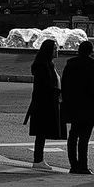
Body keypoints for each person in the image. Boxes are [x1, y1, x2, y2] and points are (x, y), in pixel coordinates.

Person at [61, 40, 94, 175]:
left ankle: (73, 165)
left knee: (73, 135)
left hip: (73, 104)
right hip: (89, 105)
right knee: (84, 137)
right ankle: (83, 166)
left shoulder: (70, 64)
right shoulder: (93, 65)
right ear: (91, 51)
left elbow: (65, 84)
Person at [23, 39, 65, 170]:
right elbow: (45, 86)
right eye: (54, 48)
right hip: (44, 103)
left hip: (46, 102)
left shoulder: (47, 64)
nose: (57, 50)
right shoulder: (43, 66)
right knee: (41, 132)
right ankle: (38, 160)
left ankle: (39, 159)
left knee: (42, 132)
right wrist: (57, 92)